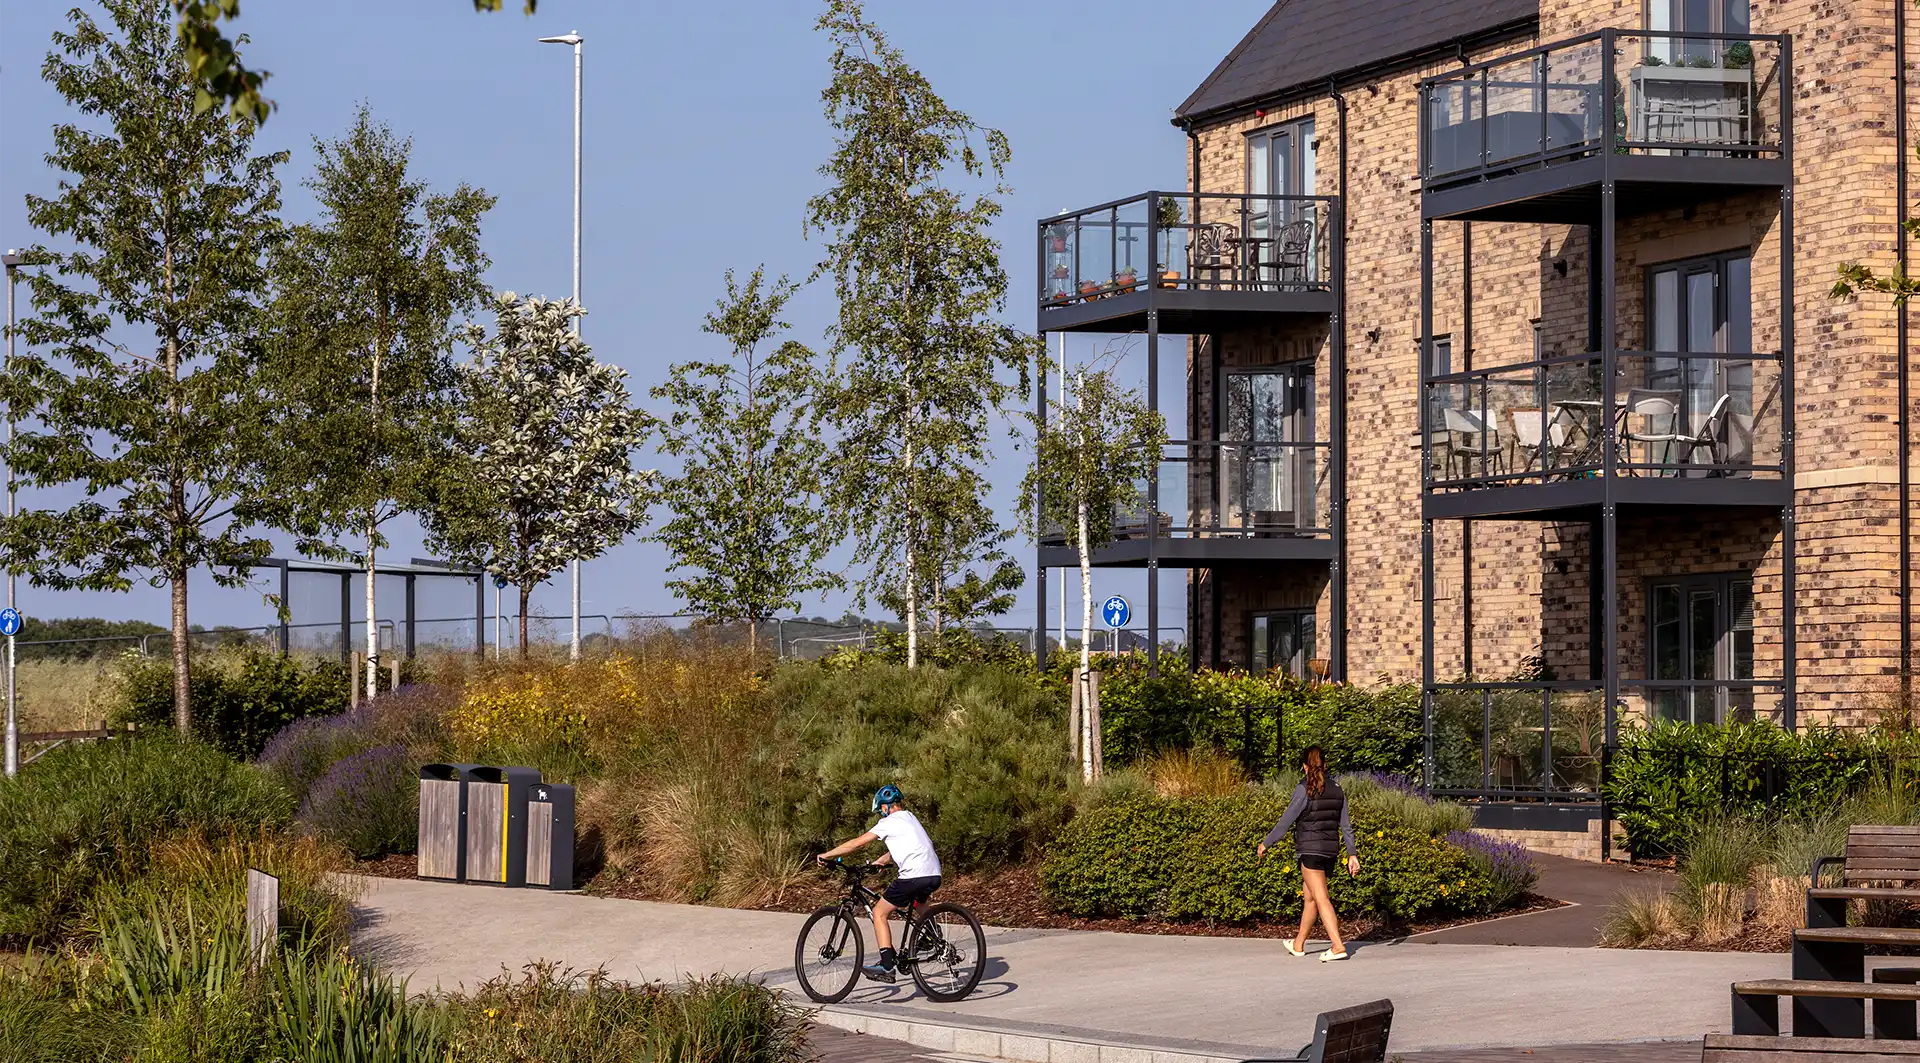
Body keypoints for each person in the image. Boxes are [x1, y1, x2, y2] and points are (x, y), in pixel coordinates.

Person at [815, 784, 942, 983]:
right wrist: (882, 860)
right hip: (934, 873)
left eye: (880, 811)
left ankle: (887, 966)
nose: (881, 815)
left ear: (885, 807)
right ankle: (933, 935)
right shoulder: (910, 818)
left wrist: (827, 854)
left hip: (913, 875)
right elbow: (910, 845)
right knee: (917, 901)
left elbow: (856, 843)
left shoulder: (888, 822)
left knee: (879, 913)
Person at [1257, 747, 1361, 961]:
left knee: (1321, 898)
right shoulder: (1338, 788)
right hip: (1330, 850)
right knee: (1310, 898)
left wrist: (1266, 843)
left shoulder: (1304, 789)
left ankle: (1338, 946)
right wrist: (1352, 854)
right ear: (1326, 765)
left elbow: (1286, 821)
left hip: (1310, 850)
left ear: (1305, 767)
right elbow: (1346, 825)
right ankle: (1298, 944)